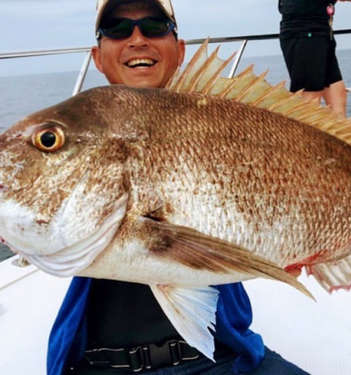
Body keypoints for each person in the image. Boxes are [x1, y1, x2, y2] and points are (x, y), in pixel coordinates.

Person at [47, 1, 310, 374]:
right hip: (101, 366)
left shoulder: (230, 121)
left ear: (180, 49)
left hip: (226, 357)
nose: (137, 39)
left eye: (154, 25)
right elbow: (36, 216)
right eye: (117, 29)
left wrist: (306, 244)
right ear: (98, 57)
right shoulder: (78, 129)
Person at [278, 0, 351, 117]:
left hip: (321, 32)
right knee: (310, 97)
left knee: (338, 94)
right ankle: (304, 135)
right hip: (304, 33)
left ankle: (338, 134)